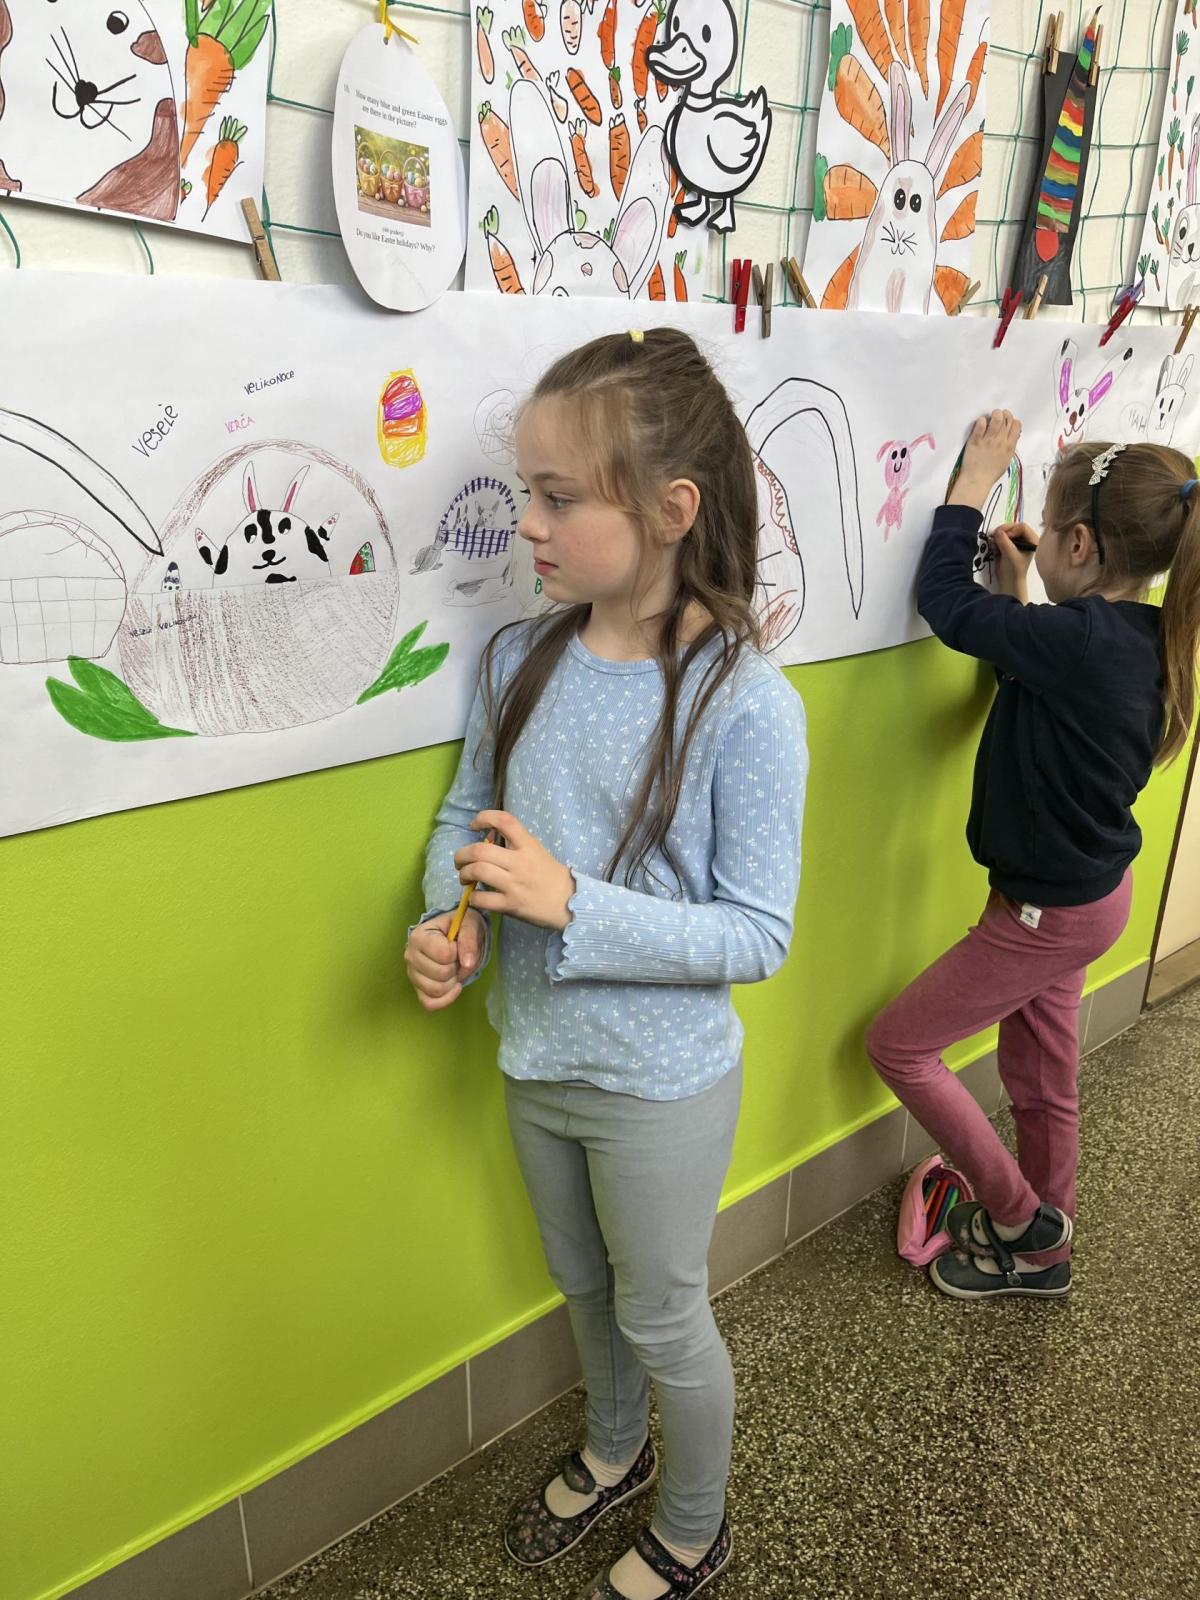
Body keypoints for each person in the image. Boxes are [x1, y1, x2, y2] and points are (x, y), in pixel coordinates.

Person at [404, 328, 807, 1598]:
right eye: (527, 490)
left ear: (670, 510)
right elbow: (466, 819)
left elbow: (758, 932)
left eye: (557, 496)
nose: (527, 522)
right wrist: (451, 919)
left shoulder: (745, 701)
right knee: (582, 1283)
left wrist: (574, 901)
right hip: (536, 1060)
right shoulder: (518, 658)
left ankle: (693, 1523)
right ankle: (618, 1450)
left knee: (663, 1312)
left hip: (660, 1087)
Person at [868, 412, 1200, 1300]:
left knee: (899, 1047)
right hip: (1094, 900)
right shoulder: (1139, 636)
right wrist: (1022, 589)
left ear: (1079, 543)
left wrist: (972, 485)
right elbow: (1044, 667)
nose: (1041, 537)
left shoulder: (1075, 642)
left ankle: (1020, 1221)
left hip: (1044, 913)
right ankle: (1048, 1245)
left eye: (1049, 527)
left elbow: (947, 604)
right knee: (1041, 1076)